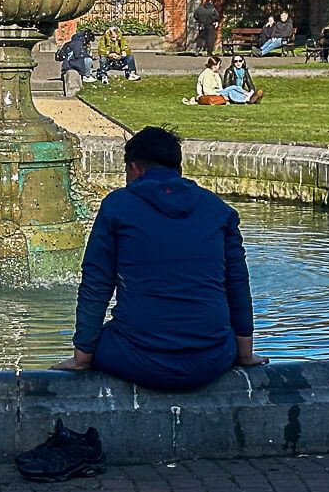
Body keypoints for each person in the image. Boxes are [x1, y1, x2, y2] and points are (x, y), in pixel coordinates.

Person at [51, 126, 265, 391]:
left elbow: (96, 284)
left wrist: (81, 358)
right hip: (212, 358)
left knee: (103, 339)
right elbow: (237, 284)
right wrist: (244, 355)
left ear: (135, 168)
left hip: (137, 358)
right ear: (178, 167)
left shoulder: (117, 207)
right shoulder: (219, 210)